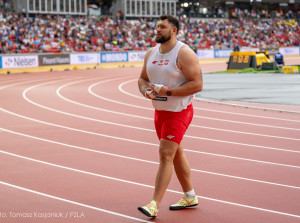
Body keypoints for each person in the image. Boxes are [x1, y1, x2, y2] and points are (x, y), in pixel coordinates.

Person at [137, 15, 203, 218]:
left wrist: (169, 92)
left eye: (162, 27)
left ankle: (154, 204)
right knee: (176, 154)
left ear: (173, 30)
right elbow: (142, 79)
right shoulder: (151, 53)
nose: (157, 30)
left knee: (166, 154)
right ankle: (190, 196)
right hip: (160, 112)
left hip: (179, 111)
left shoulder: (184, 53)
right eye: (157, 26)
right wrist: (145, 90)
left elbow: (197, 84)